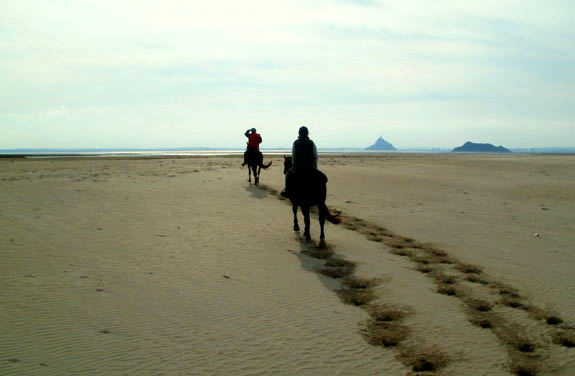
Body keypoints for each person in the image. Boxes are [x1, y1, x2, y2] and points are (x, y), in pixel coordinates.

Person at [282, 126, 326, 197]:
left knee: (288, 174)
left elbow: (294, 156)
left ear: (299, 133)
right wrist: (314, 166)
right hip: (311, 168)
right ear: (307, 133)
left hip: (298, 168)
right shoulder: (311, 143)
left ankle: (287, 191)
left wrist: (295, 165)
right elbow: (315, 156)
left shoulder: (296, 143)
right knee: (323, 178)